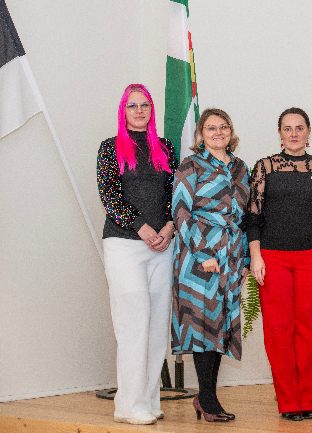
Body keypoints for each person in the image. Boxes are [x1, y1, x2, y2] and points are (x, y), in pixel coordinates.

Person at [247, 107, 312, 421]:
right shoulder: (265, 167)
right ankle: (288, 401)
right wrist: (255, 256)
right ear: (280, 134)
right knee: (278, 330)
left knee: (309, 329)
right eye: (288, 128)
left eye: (300, 128)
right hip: (273, 257)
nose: (294, 133)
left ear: (308, 132)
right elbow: (253, 217)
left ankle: (308, 399)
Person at [97, 84, 178, 425]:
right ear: (123, 111)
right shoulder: (109, 148)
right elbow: (109, 195)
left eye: (145, 104)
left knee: (157, 326)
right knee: (134, 323)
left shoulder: (165, 147)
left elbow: (175, 194)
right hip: (124, 245)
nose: (139, 110)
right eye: (132, 105)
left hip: (162, 246)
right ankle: (128, 406)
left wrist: (169, 227)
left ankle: (148, 400)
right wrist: (141, 227)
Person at [170, 108, 250, 423]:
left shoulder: (241, 168)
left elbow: (246, 217)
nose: (218, 132)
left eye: (223, 127)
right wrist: (204, 253)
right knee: (202, 325)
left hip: (230, 257)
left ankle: (206, 396)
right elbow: (180, 211)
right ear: (201, 134)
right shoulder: (190, 165)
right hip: (198, 258)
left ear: (231, 131)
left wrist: (244, 258)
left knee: (220, 326)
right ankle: (208, 399)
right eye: (211, 128)